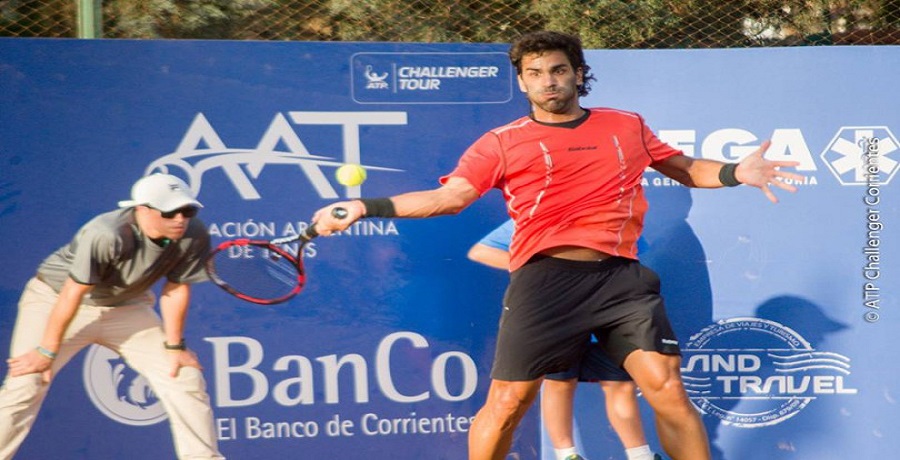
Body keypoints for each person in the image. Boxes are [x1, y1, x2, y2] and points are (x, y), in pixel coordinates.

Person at [311, 30, 802, 460]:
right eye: (535, 72)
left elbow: (686, 169)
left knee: (669, 390)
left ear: (578, 75)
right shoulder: (501, 143)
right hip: (544, 283)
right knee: (507, 404)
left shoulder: (626, 126)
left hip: (620, 280)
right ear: (522, 82)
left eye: (559, 70)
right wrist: (365, 207)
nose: (549, 80)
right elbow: (450, 197)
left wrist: (738, 172)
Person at [0, 173, 223, 460]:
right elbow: (72, 293)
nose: (180, 218)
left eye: (187, 210)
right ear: (142, 209)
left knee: (184, 375)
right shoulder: (107, 233)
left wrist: (175, 346)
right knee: (25, 383)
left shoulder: (194, 233)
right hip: (55, 300)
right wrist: (46, 350)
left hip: (127, 307)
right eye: (169, 212)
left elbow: (176, 288)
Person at [468, 219, 660, 460]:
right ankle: (566, 455)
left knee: (619, 385)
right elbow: (482, 251)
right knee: (560, 383)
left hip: (610, 317)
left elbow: (637, 259)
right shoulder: (538, 213)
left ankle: (639, 455)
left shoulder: (619, 213)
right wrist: (546, 271)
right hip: (557, 317)